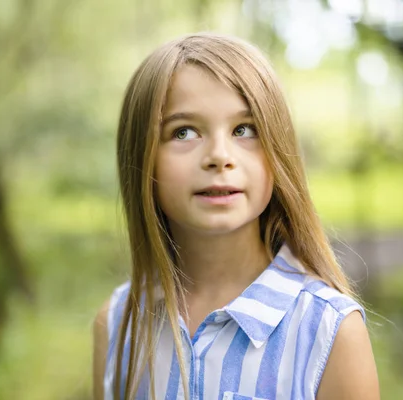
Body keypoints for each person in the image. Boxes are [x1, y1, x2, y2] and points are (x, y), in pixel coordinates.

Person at [93, 32, 380, 400]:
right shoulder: (118, 324)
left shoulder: (328, 332)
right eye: (184, 132)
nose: (219, 155)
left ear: (278, 150)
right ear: (142, 156)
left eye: (244, 130)